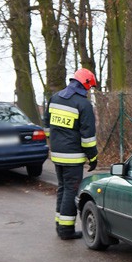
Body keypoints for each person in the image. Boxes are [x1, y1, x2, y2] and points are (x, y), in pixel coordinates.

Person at [44, 68, 99, 240]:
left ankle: (59, 226)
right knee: (70, 190)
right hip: (72, 156)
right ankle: (66, 230)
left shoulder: (55, 98)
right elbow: (88, 137)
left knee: (62, 188)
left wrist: (54, 141)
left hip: (56, 154)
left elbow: (47, 125)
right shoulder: (83, 105)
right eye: (89, 88)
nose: (89, 92)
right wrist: (93, 157)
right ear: (86, 85)